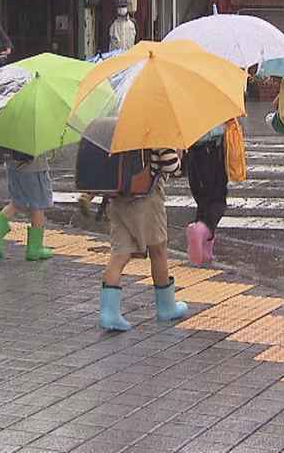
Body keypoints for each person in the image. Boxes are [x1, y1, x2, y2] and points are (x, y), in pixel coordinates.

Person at [98, 147, 188, 331]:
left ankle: (109, 313)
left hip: (117, 198)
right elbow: (171, 166)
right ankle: (166, 307)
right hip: (147, 199)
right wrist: (178, 156)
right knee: (158, 250)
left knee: (119, 254)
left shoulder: (119, 129)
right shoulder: (154, 129)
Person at [0, 151, 56, 263]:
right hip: (33, 166)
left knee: (17, 202)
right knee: (38, 205)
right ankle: (35, 248)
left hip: (12, 164)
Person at [185, 122, 230, 265]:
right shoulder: (210, 102)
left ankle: (205, 251)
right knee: (218, 200)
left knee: (203, 199)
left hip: (192, 149)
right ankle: (201, 230)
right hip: (211, 148)